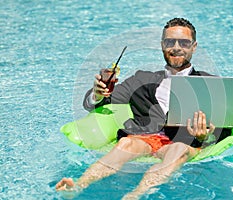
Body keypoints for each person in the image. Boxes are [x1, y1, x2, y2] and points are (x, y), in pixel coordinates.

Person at [56, 18, 216, 199]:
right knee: (126, 143)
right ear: (162, 45)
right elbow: (97, 103)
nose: (176, 47)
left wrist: (205, 135)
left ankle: (135, 196)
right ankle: (78, 186)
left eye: (184, 42)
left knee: (178, 149)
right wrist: (98, 93)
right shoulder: (141, 80)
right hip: (146, 138)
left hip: (183, 142)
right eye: (170, 42)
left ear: (194, 47)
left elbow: (221, 130)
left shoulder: (210, 83)